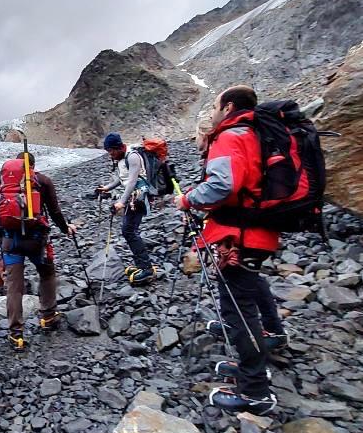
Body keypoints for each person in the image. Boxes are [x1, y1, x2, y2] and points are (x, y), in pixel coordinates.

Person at [174, 85, 284, 415]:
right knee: (244, 298)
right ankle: (256, 363)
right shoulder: (251, 134)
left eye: (216, 106)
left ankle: (255, 392)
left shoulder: (231, 136)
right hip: (253, 232)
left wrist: (187, 198)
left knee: (238, 310)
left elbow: (223, 184)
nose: (213, 112)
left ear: (229, 106)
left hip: (240, 235)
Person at [0, 153, 76, 351]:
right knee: (47, 273)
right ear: (32, 165)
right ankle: (48, 316)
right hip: (36, 241)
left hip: (9, 241)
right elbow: (55, 211)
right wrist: (65, 228)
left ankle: (16, 334)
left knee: (14, 287)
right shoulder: (42, 181)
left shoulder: (3, 184)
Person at [97, 133, 156, 285]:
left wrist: (121, 202)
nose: (110, 154)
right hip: (131, 198)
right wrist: (107, 187)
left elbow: (132, 181)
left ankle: (147, 269)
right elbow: (121, 178)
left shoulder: (133, 157)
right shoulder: (121, 159)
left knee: (129, 230)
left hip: (138, 198)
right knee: (128, 230)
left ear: (118, 147)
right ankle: (142, 265)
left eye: (111, 151)